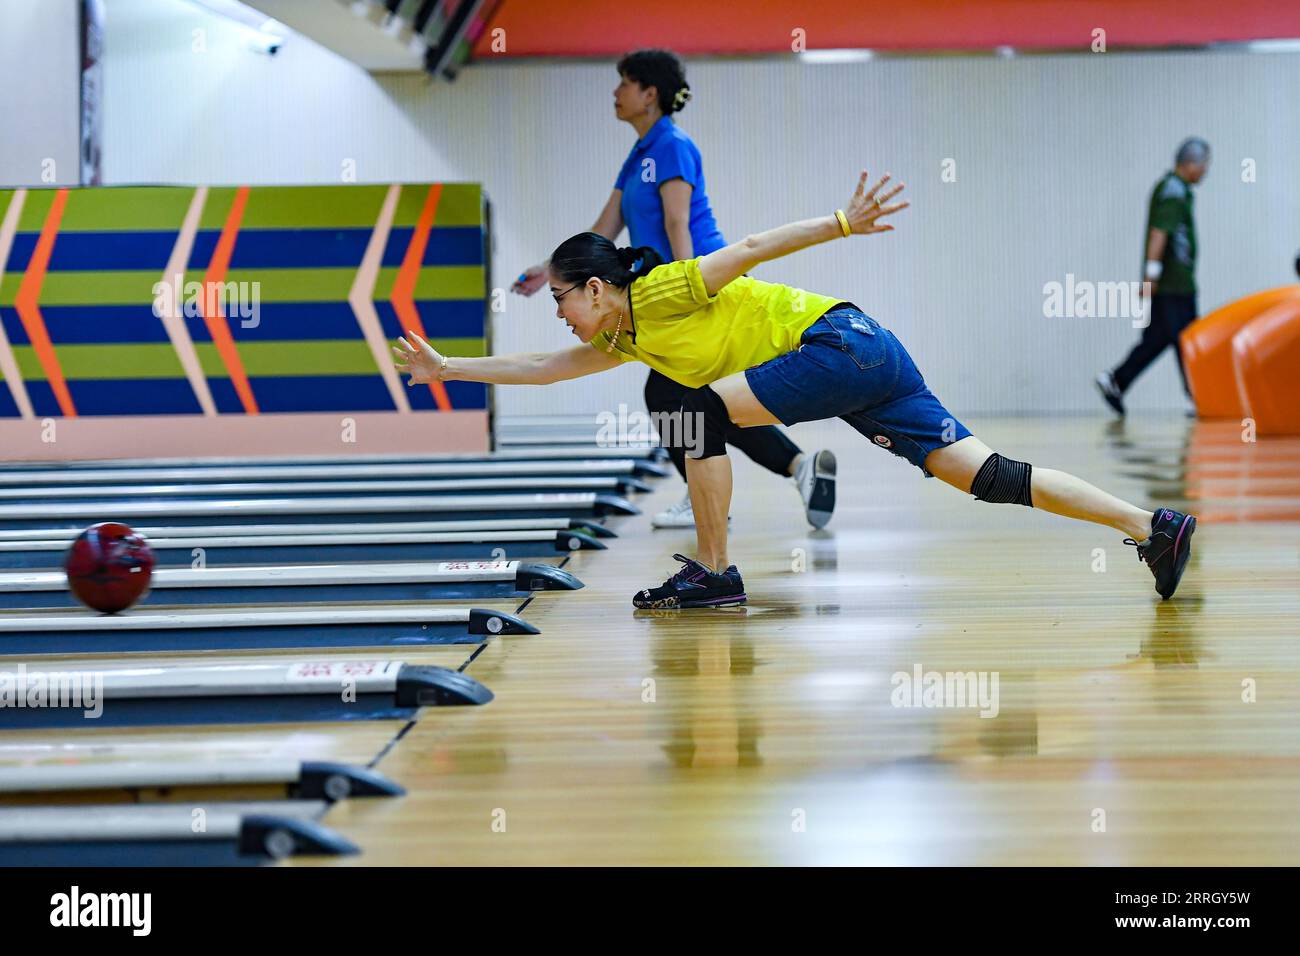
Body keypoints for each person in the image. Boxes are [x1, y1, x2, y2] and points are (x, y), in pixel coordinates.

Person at [398, 171, 1197, 608]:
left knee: (692, 411)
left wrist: (840, 223)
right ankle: (1152, 526)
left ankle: (713, 572)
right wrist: (449, 369)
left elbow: (746, 248)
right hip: (868, 360)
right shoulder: (622, 335)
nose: (560, 312)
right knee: (986, 479)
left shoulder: (666, 291)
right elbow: (541, 368)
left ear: (598, 287)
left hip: (839, 344)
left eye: (564, 298)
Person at [511, 48, 836, 530]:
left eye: (624, 83)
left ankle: (712, 494)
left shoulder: (673, 144)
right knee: (694, 398)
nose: (615, 93)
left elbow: (676, 221)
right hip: (664, 295)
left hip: (694, 288)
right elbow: (605, 228)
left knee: (674, 395)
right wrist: (548, 269)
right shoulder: (639, 152)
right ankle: (787, 470)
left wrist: (692, 294)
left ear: (650, 94)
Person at [1096, 137, 1210, 416]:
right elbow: (1159, 233)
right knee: (1187, 340)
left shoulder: (1178, 189)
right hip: (1173, 285)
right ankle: (1202, 398)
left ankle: (1116, 380)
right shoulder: (1173, 190)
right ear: (1191, 163)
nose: (1206, 171)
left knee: (1158, 338)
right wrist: (1151, 276)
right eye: (1205, 165)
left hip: (1173, 284)